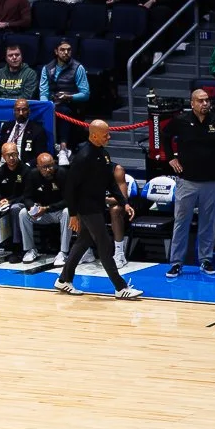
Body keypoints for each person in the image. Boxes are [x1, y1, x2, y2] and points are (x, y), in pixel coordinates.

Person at [54, 119, 143, 298]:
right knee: (103, 244)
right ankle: (120, 287)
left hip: (97, 205)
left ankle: (64, 280)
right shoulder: (83, 156)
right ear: (94, 135)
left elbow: (110, 181)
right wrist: (72, 214)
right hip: (86, 208)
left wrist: (124, 202)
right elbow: (70, 187)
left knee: (83, 242)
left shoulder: (103, 153)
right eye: (105, 134)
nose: (109, 137)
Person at [163, 87, 215, 279]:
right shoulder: (181, 121)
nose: (205, 104)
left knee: (208, 223)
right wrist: (170, 158)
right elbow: (165, 136)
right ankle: (176, 263)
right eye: (201, 100)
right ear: (192, 103)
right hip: (187, 181)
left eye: (207, 100)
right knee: (181, 223)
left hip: (212, 181)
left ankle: (206, 260)